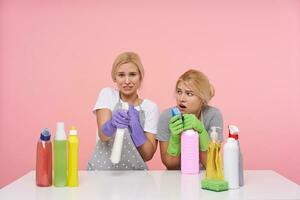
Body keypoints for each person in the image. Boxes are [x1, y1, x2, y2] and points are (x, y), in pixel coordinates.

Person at [87, 52, 159, 170]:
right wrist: (112, 124)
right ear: (114, 77)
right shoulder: (108, 95)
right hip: (102, 171)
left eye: (132, 74)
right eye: (121, 75)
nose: (127, 81)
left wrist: (136, 129)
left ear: (140, 77)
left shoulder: (150, 107)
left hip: (135, 175)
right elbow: (103, 136)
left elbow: (148, 155)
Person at [156, 69, 223, 170]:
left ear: (202, 98)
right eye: (179, 92)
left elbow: (211, 165)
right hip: (175, 178)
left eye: (189, 94)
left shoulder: (213, 115)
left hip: (203, 176)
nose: (181, 98)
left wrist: (201, 132)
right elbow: (170, 165)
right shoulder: (167, 116)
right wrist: (175, 139)